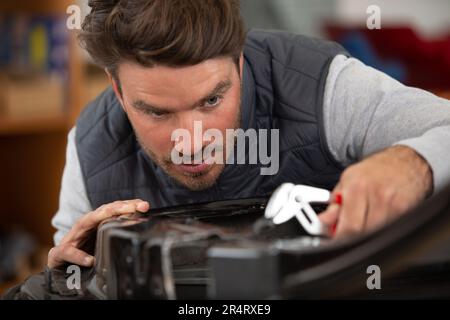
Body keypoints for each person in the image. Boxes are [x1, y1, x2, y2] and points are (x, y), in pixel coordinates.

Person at [48, 0, 450, 269]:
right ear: (117, 89)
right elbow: (67, 266)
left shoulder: (325, 87)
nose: (192, 138)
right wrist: (66, 276)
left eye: (211, 100)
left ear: (240, 63)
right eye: (156, 111)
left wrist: (414, 163)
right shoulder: (89, 150)